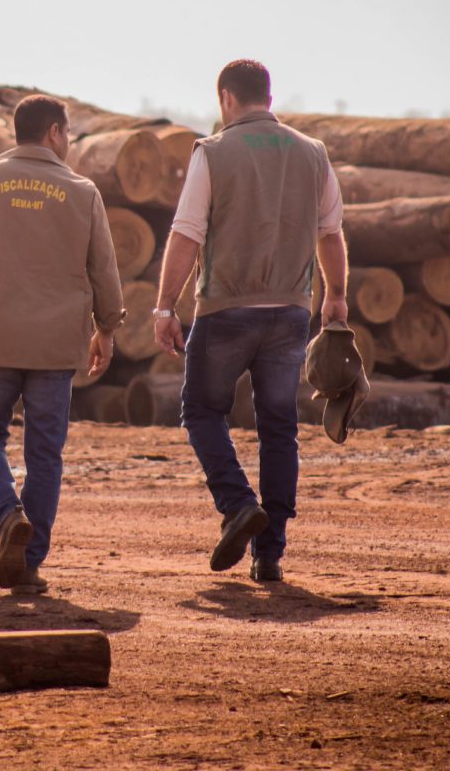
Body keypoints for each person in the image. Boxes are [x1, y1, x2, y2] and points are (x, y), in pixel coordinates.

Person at [153, 59, 347, 583]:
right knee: (279, 427)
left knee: (201, 412)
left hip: (225, 309)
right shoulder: (313, 153)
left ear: (225, 99)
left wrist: (166, 306)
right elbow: (331, 232)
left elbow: (187, 232)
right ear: (268, 94)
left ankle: (238, 504)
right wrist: (335, 298)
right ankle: (270, 555)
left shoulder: (213, 152)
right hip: (290, 310)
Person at [0, 94, 125, 595]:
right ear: (55, 133)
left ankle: (6, 514)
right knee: (45, 454)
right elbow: (103, 267)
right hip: (55, 346)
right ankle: (30, 560)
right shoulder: (81, 192)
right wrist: (107, 327)